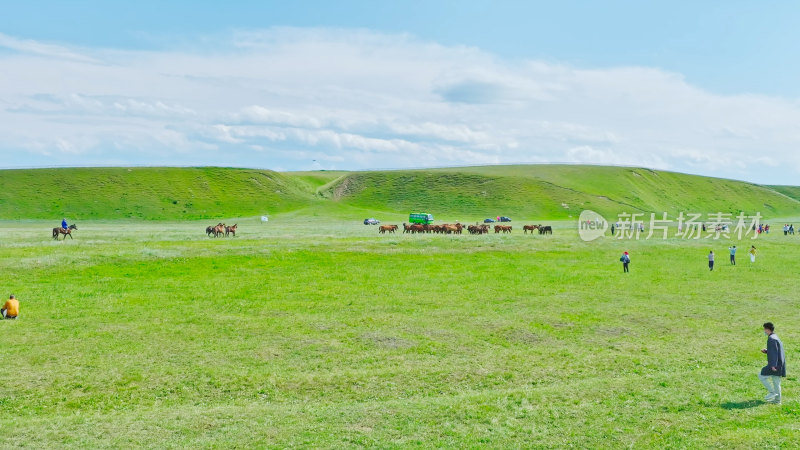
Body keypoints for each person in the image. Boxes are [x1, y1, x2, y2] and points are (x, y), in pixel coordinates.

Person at [759, 322, 786, 404]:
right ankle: (777, 401)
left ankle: (772, 392)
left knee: (761, 375)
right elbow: (776, 351)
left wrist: (773, 365)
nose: (764, 331)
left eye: (764, 329)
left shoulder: (771, 339)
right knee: (776, 382)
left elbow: (774, 353)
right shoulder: (775, 337)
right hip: (780, 364)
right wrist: (767, 351)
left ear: (767, 329)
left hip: (775, 365)